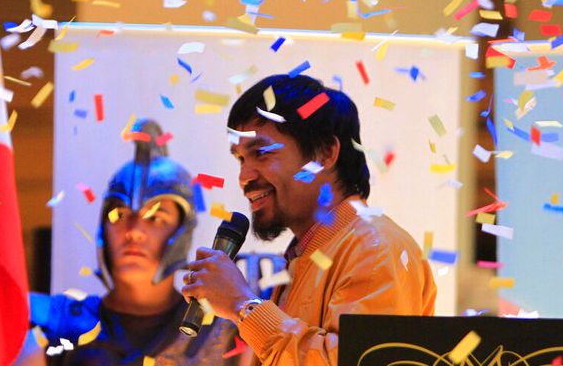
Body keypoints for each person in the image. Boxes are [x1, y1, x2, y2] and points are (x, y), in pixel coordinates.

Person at [180, 74, 437, 366]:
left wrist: (242, 305)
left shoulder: (377, 248)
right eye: (240, 159)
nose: (244, 178)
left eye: (261, 153)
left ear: (324, 153)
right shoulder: (312, 252)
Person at [16, 119, 237, 365]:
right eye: (120, 216)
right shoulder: (55, 326)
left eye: (155, 218)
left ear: (181, 231)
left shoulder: (222, 334)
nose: (133, 232)